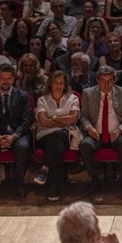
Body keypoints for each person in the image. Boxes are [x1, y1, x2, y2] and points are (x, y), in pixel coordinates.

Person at [0, 64, 33, 199]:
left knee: (23, 146)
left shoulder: (23, 96)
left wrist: (14, 136)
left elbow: (26, 121)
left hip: (17, 134)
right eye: (2, 78)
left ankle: (20, 184)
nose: (6, 82)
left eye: (8, 78)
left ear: (13, 79)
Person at [79, 65, 122, 197]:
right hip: (96, 134)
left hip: (117, 134)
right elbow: (83, 116)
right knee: (84, 145)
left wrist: (120, 129)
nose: (106, 84)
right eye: (103, 81)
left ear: (114, 80)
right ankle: (95, 179)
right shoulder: (88, 93)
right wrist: (89, 128)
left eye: (109, 81)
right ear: (97, 80)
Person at [34, 71, 80, 201]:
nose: (59, 86)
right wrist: (63, 119)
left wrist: (53, 118)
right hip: (45, 135)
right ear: (50, 84)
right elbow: (43, 122)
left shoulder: (73, 98)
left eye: (61, 83)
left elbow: (74, 119)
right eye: (56, 83)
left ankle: (47, 172)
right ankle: (53, 184)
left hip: (67, 134)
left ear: (65, 85)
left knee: (57, 138)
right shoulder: (42, 100)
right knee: (55, 142)